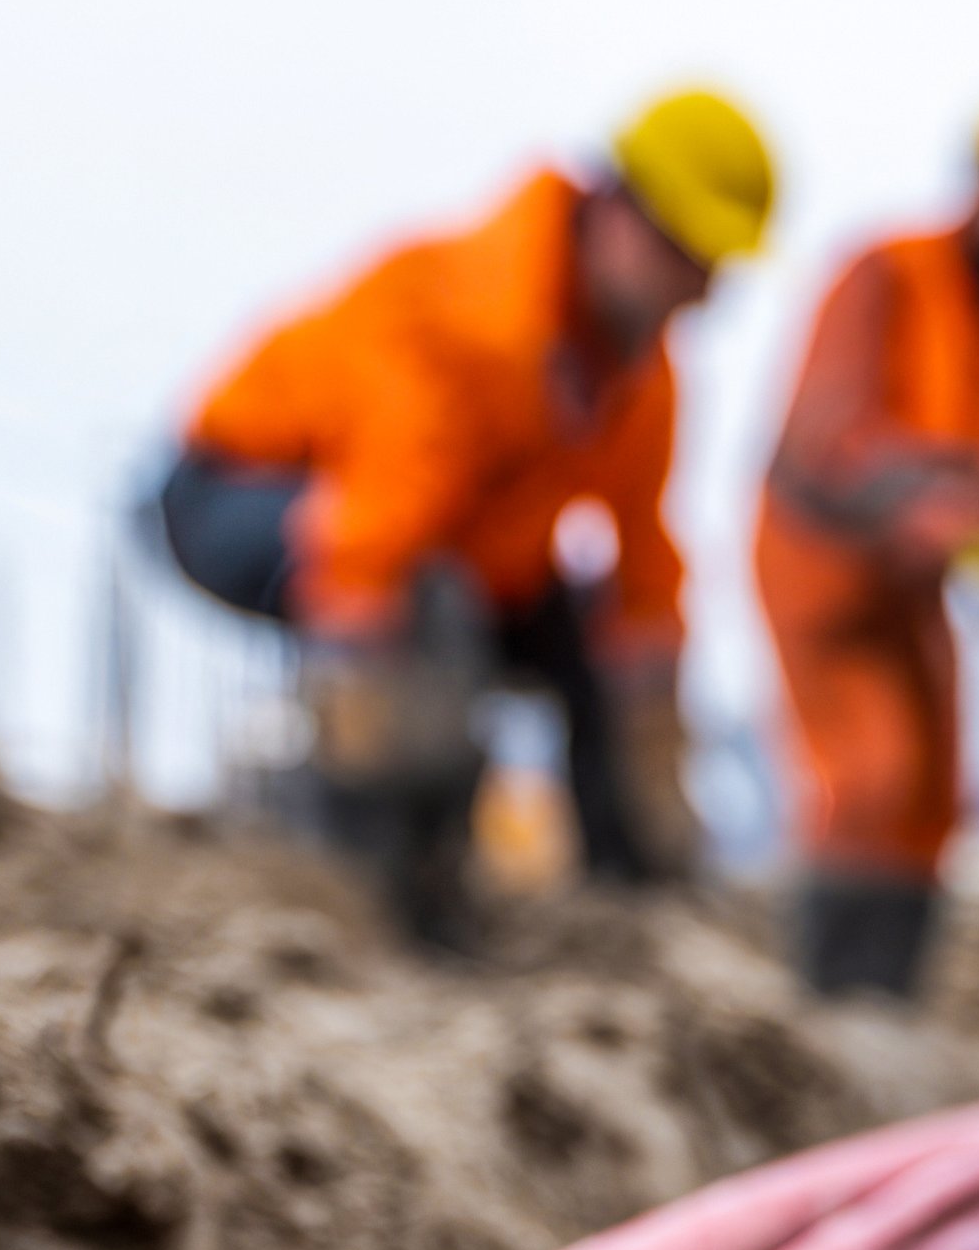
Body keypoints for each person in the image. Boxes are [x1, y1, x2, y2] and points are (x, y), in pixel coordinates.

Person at [144, 92, 773, 950]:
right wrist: (381, 753)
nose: (693, 292)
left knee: (573, 635)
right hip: (235, 493)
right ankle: (375, 888)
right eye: (681, 254)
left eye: (711, 269)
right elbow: (372, 535)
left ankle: (628, 909)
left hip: (451, 553)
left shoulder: (641, 381)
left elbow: (645, 579)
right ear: (614, 206)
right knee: (428, 618)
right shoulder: (474, 312)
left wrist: (654, 734)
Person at [757, 94, 979, 999]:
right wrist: (950, 532)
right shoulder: (886, 274)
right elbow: (834, 440)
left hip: (911, 591)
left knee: (935, 793)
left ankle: (890, 1003)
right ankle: (829, 996)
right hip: (821, 571)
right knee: (867, 775)